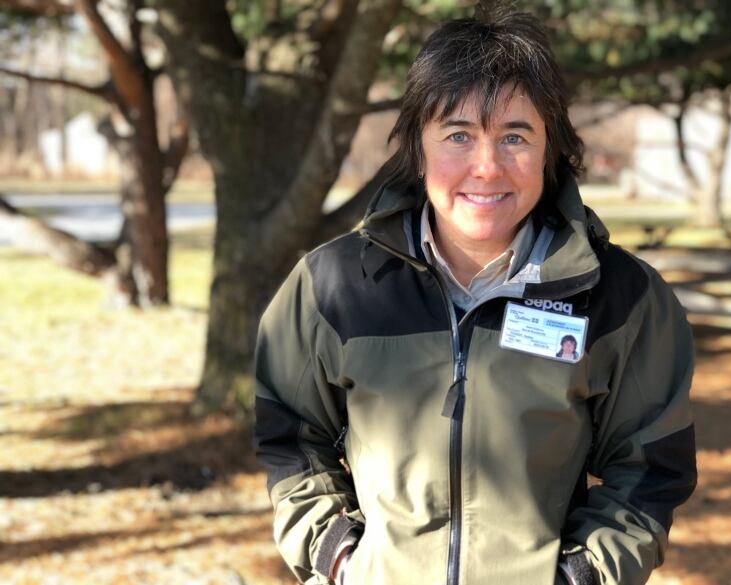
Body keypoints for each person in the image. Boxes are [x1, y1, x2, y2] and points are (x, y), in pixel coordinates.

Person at [254, 7, 696, 585]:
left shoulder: (624, 299)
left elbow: (650, 472)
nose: (486, 168)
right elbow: (289, 436)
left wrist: (579, 577)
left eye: (515, 135)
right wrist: (338, 555)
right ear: (418, 146)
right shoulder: (331, 285)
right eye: (458, 135)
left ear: (550, 149)